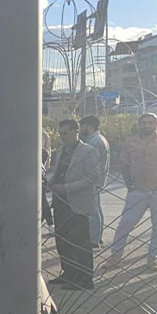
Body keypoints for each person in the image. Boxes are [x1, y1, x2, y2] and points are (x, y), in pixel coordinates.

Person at [106, 113, 157, 271]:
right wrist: (129, 185)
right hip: (138, 191)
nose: (147, 126)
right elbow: (124, 165)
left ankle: (153, 259)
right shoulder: (130, 143)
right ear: (139, 125)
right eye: (144, 123)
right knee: (125, 224)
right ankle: (115, 258)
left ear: (156, 124)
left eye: (150, 123)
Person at [48, 120, 102, 290]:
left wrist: (66, 188)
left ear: (75, 132)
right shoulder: (61, 152)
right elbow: (57, 174)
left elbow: (93, 178)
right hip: (60, 202)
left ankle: (85, 278)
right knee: (63, 239)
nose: (62, 137)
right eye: (60, 134)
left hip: (78, 202)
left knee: (80, 241)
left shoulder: (88, 151)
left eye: (65, 133)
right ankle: (69, 272)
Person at [79, 116, 111, 247]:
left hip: (93, 179)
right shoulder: (98, 139)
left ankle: (93, 240)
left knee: (92, 211)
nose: (80, 130)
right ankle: (98, 236)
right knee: (96, 208)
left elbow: (91, 163)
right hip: (98, 178)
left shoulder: (94, 142)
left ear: (89, 127)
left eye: (82, 127)